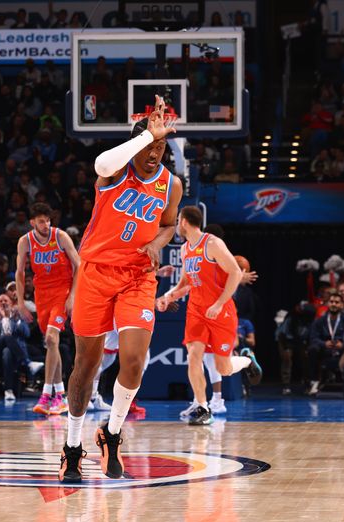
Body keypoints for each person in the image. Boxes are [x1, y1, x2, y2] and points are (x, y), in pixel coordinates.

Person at [59, 96, 182, 483]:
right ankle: (72, 447)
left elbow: (168, 224)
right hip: (96, 273)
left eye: (161, 147)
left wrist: (157, 245)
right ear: (137, 145)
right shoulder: (114, 173)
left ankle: (111, 435)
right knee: (86, 367)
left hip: (137, 277)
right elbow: (101, 164)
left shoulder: (171, 184)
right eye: (149, 146)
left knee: (133, 361)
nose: (154, 154)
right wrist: (145, 134)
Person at [157, 206, 261, 425]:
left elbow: (234, 272)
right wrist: (169, 296)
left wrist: (219, 303)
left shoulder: (212, 244)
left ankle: (246, 360)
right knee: (193, 355)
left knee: (223, 367)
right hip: (196, 310)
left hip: (220, 312)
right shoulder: (185, 250)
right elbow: (186, 283)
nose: (176, 225)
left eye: (178, 221)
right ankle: (203, 407)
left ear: (184, 221)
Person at [16, 202, 80, 417]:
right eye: (41, 221)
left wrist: (72, 296)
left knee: (52, 339)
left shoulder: (60, 236)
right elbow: (19, 273)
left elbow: (79, 265)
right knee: (51, 345)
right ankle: (60, 395)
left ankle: (45, 394)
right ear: (32, 222)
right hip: (41, 295)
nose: (46, 224)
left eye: (48, 220)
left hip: (62, 291)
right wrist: (20, 301)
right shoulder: (25, 242)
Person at [307, 291, 344, 396]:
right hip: (324, 349)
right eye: (331, 302)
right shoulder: (319, 321)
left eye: (337, 302)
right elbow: (313, 338)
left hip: (342, 350)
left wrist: (343, 344)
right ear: (327, 304)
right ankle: (314, 381)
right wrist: (324, 343)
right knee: (313, 349)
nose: (334, 304)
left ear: (342, 305)